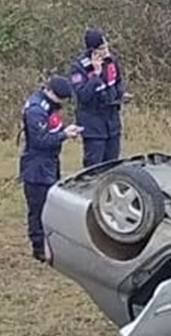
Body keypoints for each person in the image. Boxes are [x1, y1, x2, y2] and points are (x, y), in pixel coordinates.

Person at [20, 75, 82, 262]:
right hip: (36, 165)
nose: (62, 103)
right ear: (52, 93)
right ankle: (38, 247)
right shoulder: (36, 110)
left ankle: (52, 243)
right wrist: (64, 135)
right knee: (38, 207)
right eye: (61, 99)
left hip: (50, 161)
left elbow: (54, 128)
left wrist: (66, 130)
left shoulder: (51, 106)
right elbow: (40, 141)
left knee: (52, 202)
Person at [71, 28, 128, 168]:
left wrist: (120, 94)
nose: (105, 51)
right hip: (93, 124)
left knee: (113, 164)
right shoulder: (78, 67)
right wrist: (95, 75)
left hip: (112, 121)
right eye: (101, 49)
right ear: (93, 50)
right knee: (95, 167)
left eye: (106, 47)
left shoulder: (111, 61)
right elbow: (82, 95)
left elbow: (118, 81)